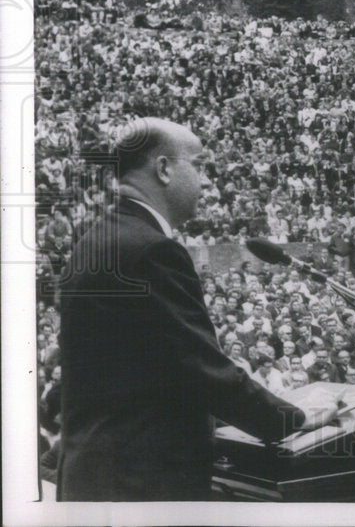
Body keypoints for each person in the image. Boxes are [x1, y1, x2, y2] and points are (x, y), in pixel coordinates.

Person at [57, 118, 334, 500]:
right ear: (164, 169)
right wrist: (295, 418)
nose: (206, 182)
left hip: (97, 478)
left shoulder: (98, 238)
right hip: (141, 486)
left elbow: (144, 375)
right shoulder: (151, 250)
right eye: (199, 165)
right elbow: (201, 370)